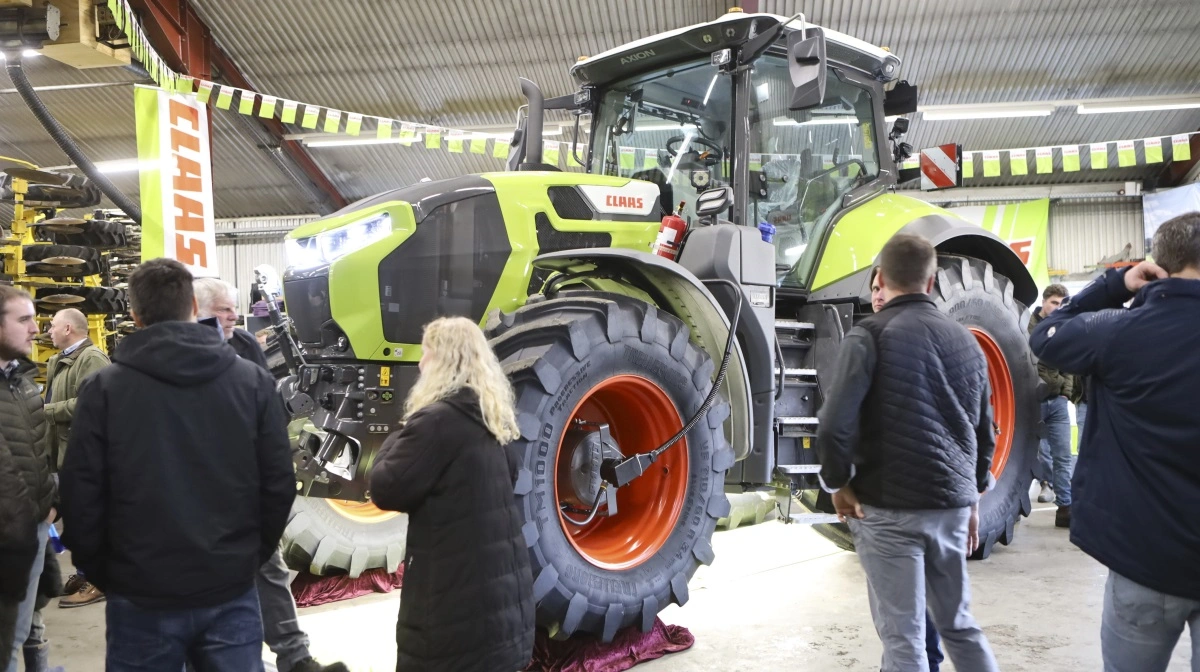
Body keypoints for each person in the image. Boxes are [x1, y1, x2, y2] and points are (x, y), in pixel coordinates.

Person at [59, 258, 297, 671]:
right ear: (193, 307)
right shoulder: (251, 381)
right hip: (229, 585)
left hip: (140, 591)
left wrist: (106, 572)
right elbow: (278, 483)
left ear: (133, 316)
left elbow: (81, 492)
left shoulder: (103, 389)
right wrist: (248, 558)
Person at [817, 236, 998, 672]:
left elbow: (833, 426)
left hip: (888, 510)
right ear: (931, 280)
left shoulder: (868, 336)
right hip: (953, 507)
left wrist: (839, 484)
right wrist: (973, 497)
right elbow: (983, 433)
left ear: (880, 278)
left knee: (904, 639)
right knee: (958, 624)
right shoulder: (966, 341)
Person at [1029, 213, 1200, 672]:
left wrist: (1113, 285)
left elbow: (1045, 335)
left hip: (1146, 560)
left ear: (1158, 264)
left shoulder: (1115, 333)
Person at [195, 277, 348, 672]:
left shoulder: (244, 345)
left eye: (233, 308)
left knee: (270, 568)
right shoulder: (187, 354)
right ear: (196, 311)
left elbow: (263, 407)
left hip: (246, 480)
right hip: (205, 489)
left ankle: (294, 658)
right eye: (222, 310)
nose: (232, 316)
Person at [370, 316, 535, 672]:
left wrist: (397, 433)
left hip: (453, 615)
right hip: (502, 609)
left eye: (426, 353)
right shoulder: (493, 420)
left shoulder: (435, 423)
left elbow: (385, 488)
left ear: (442, 361)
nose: (419, 362)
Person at [868, 267, 944, 672]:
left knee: (899, 615)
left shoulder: (879, 341)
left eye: (886, 286)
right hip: (931, 496)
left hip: (900, 496)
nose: (879, 295)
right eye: (875, 288)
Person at [0, 286, 57, 672]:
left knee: (23, 628)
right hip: (7, 535)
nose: (36, 329)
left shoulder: (20, 382)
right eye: (23, 320)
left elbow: (39, 450)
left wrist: (52, 501)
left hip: (33, 528)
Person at [43, 308, 110, 612]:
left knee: (92, 519)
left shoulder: (92, 359)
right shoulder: (58, 360)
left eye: (53, 326)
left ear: (68, 328)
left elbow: (91, 404)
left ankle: (99, 581)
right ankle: (85, 572)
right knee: (76, 518)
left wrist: (47, 411)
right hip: (62, 452)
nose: (48, 332)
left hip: (84, 454)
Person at [1027, 284, 1074, 525]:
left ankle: (1065, 507)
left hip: (1057, 402)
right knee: (1026, 457)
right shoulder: (1026, 326)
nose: (1057, 308)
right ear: (1044, 302)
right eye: (1054, 302)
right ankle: (1015, 507)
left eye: (1062, 304)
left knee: (1063, 456)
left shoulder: (1063, 328)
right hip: (1031, 401)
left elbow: (1070, 359)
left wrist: (1066, 391)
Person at [194, 276, 267, 369]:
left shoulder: (247, 341)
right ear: (196, 311)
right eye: (224, 309)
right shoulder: (179, 351)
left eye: (235, 308)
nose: (235, 317)